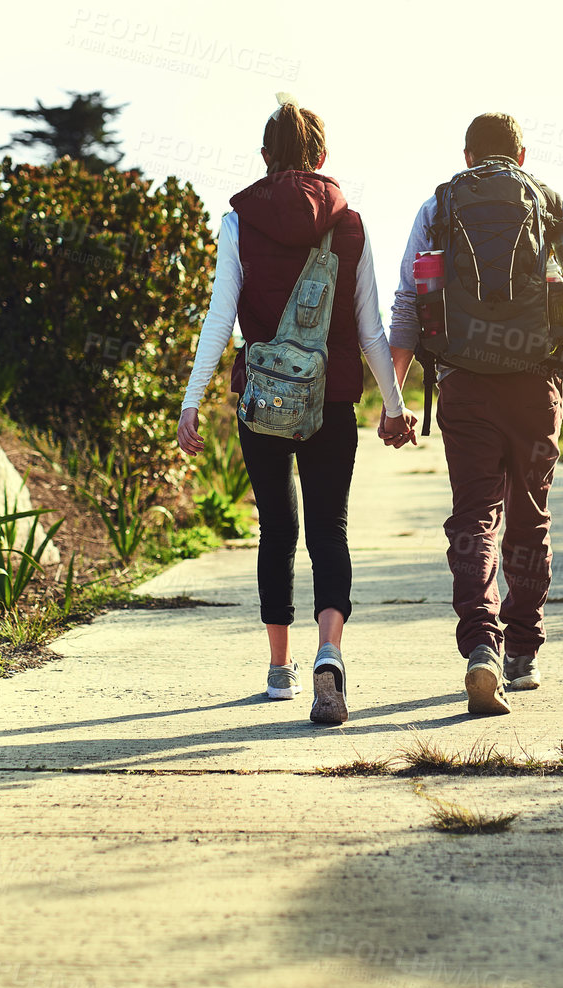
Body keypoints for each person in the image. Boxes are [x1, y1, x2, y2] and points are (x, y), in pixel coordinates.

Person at [177, 99, 417, 725]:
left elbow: (218, 322)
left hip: (260, 401)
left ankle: (279, 670)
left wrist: (190, 401)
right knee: (328, 528)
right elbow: (371, 330)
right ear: (321, 157)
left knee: (277, 529)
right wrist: (394, 410)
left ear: (264, 157)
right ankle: (329, 654)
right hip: (330, 400)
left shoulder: (238, 222)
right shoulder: (351, 225)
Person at [387, 112, 563, 715]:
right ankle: (522, 652)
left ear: (467, 156)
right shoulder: (550, 204)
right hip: (535, 388)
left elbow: (409, 303)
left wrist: (396, 397)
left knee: (474, 518)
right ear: (522, 153)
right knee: (529, 517)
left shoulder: (438, 206)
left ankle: (480, 649)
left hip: (464, 386)